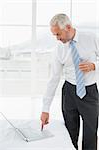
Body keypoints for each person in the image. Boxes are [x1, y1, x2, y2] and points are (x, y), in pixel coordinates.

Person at [40, 14, 99, 150]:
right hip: (69, 92)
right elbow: (53, 79)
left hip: (89, 92)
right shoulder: (59, 49)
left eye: (58, 34)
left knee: (90, 134)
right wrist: (45, 109)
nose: (57, 38)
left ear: (68, 27)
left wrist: (94, 66)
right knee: (70, 133)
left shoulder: (91, 38)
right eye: (55, 35)